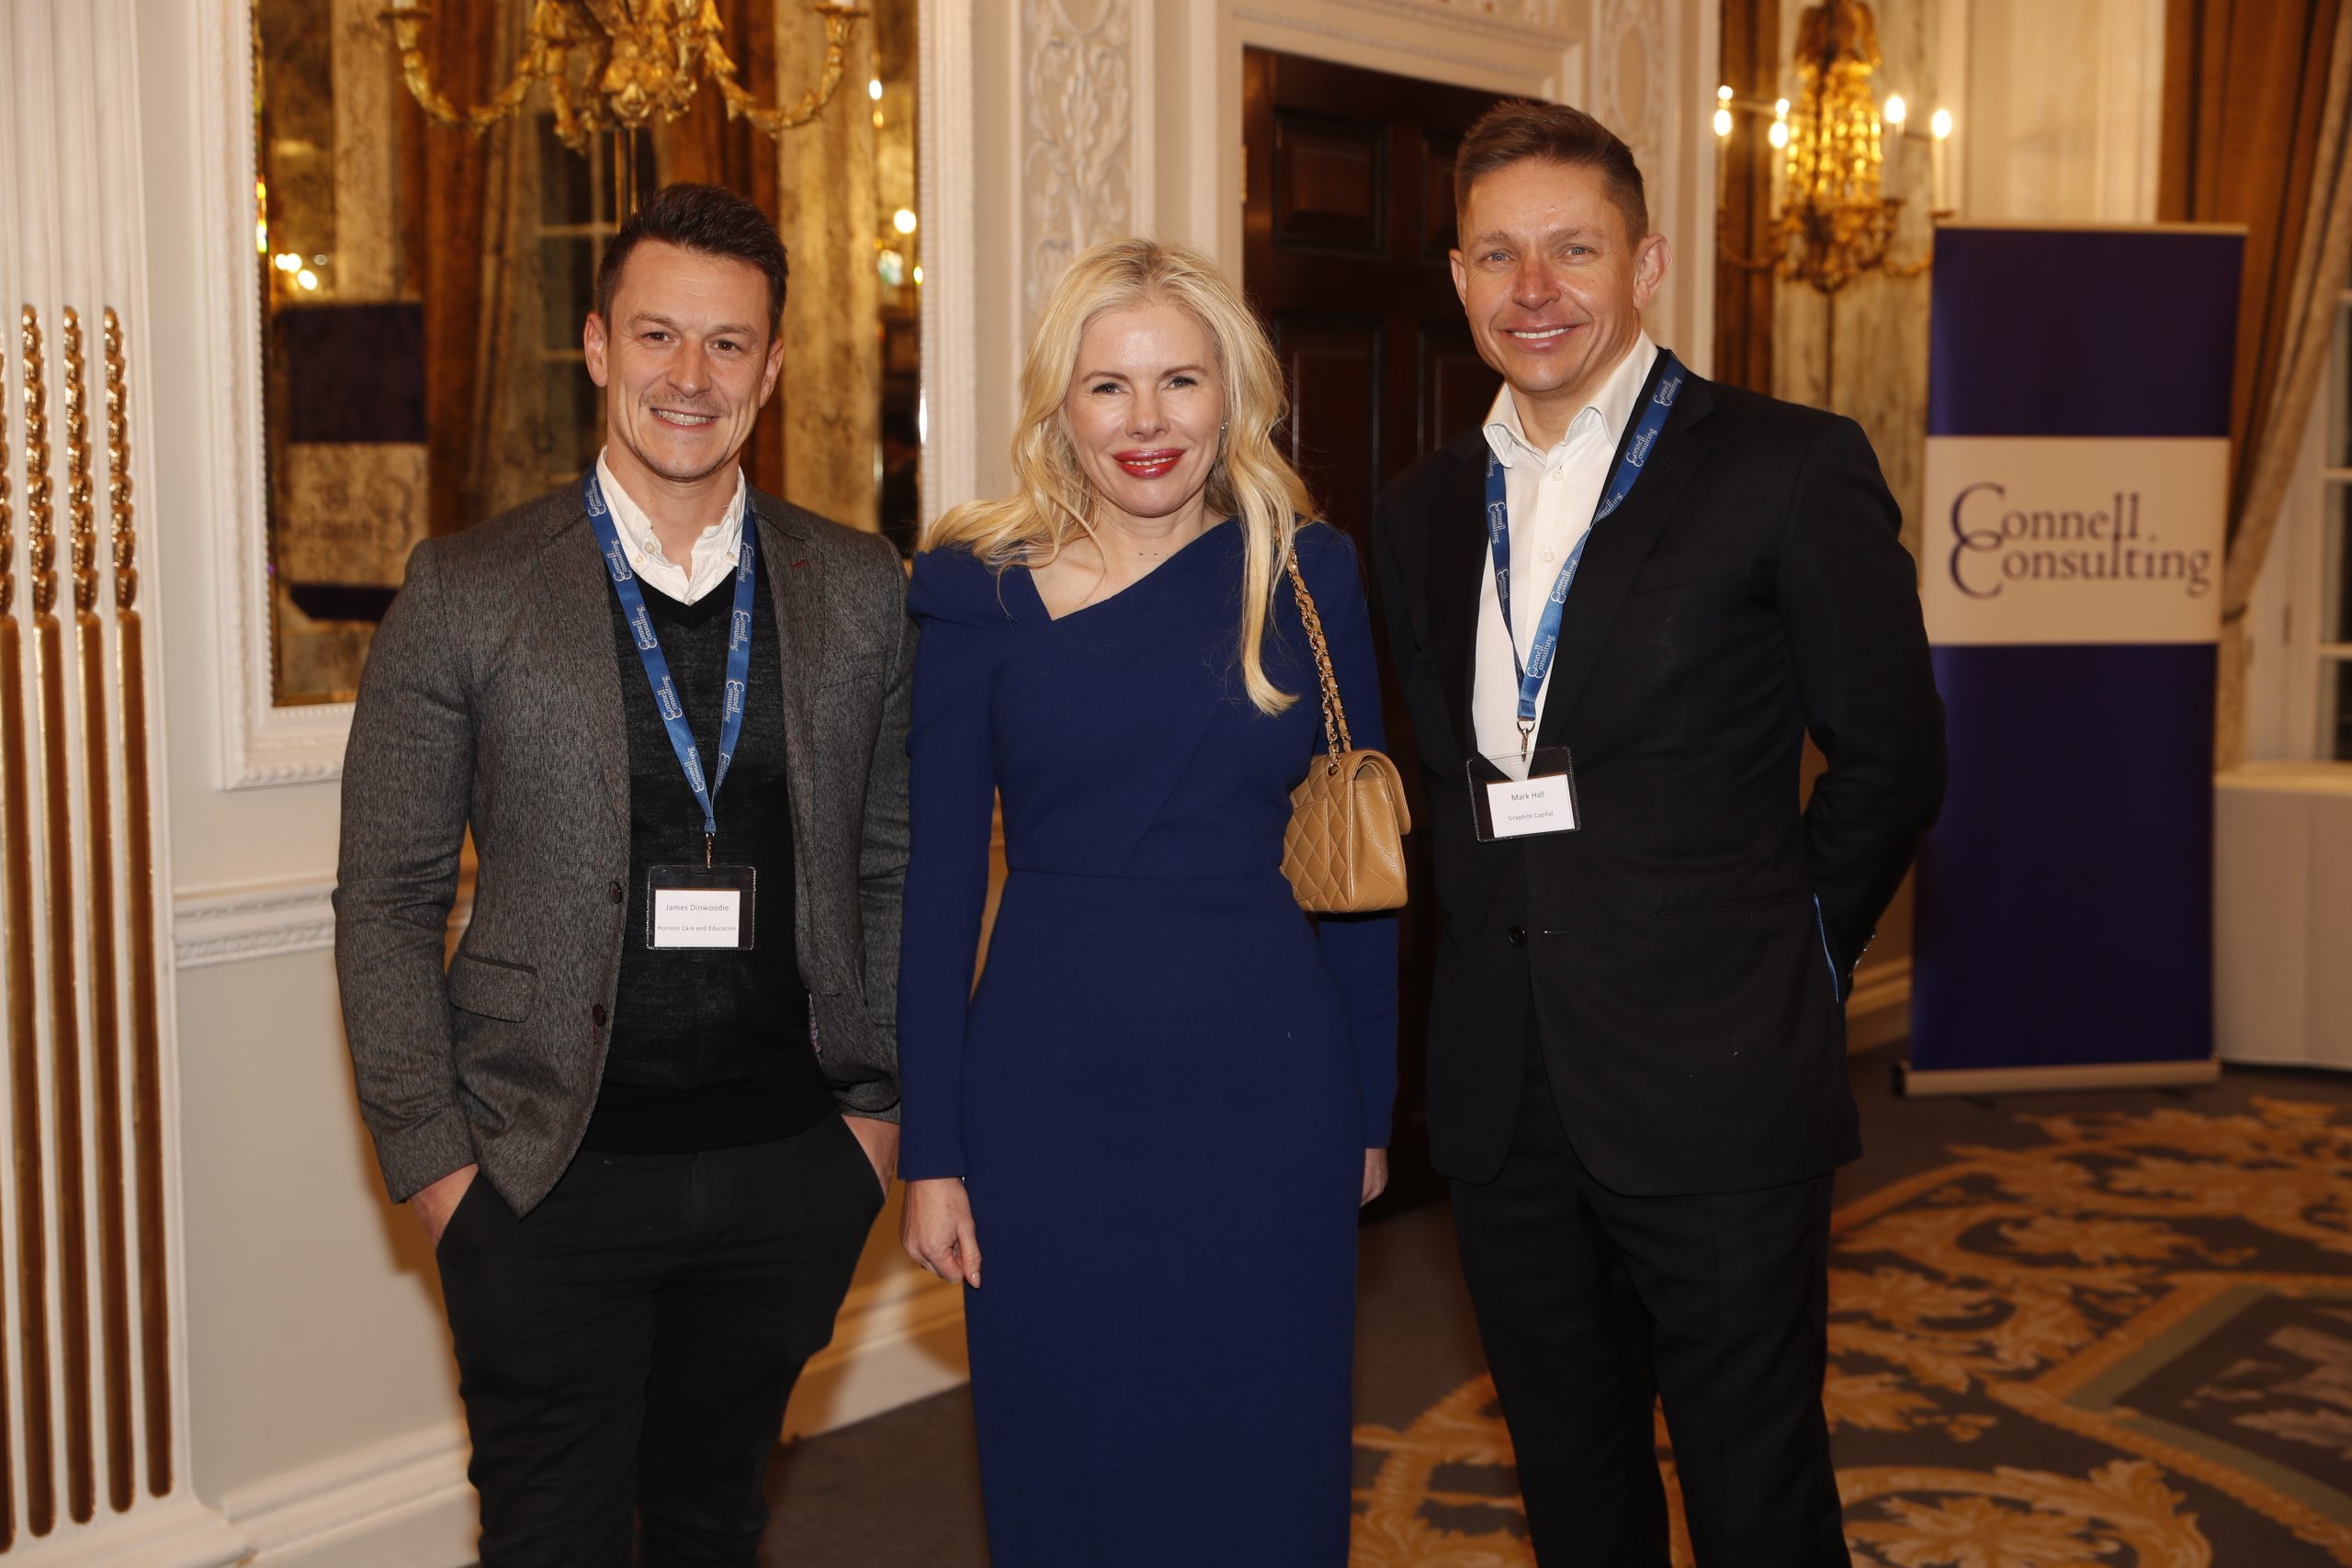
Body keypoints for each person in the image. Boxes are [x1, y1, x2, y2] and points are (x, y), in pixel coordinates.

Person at [1372, 102, 1946, 1566]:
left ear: (1647, 263)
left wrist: (1793, 958)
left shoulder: (1784, 464)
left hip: (1721, 1076)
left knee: (1756, 1496)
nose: (1534, 288)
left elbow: (1893, 756)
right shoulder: (1420, 511)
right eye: (1498, 254)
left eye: (1574, 249)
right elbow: (1450, 787)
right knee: (1572, 1487)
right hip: (1502, 1088)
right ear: (1458, 276)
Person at [333, 182, 911, 1567]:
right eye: (657, 334)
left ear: (773, 367)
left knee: (713, 1525)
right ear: (598, 346)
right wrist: (439, 1170)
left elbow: (892, 862)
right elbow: (387, 901)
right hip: (543, 1182)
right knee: (554, 1542)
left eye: (728, 343)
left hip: (788, 1169)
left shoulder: (860, 589)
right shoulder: (466, 591)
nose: (689, 375)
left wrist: (873, 1124)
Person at [895, 238, 1396, 1565]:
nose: (1147, 421)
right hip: (1046, 1100)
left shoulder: (1306, 572)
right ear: (1060, 406)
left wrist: (1369, 1106)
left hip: (1269, 1090)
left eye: (1180, 380)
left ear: (1233, 394)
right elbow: (937, 887)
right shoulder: (972, 590)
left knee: (1261, 1453)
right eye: (1108, 386)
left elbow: (1360, 859)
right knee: (1070, 1456)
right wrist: (933, 1150)